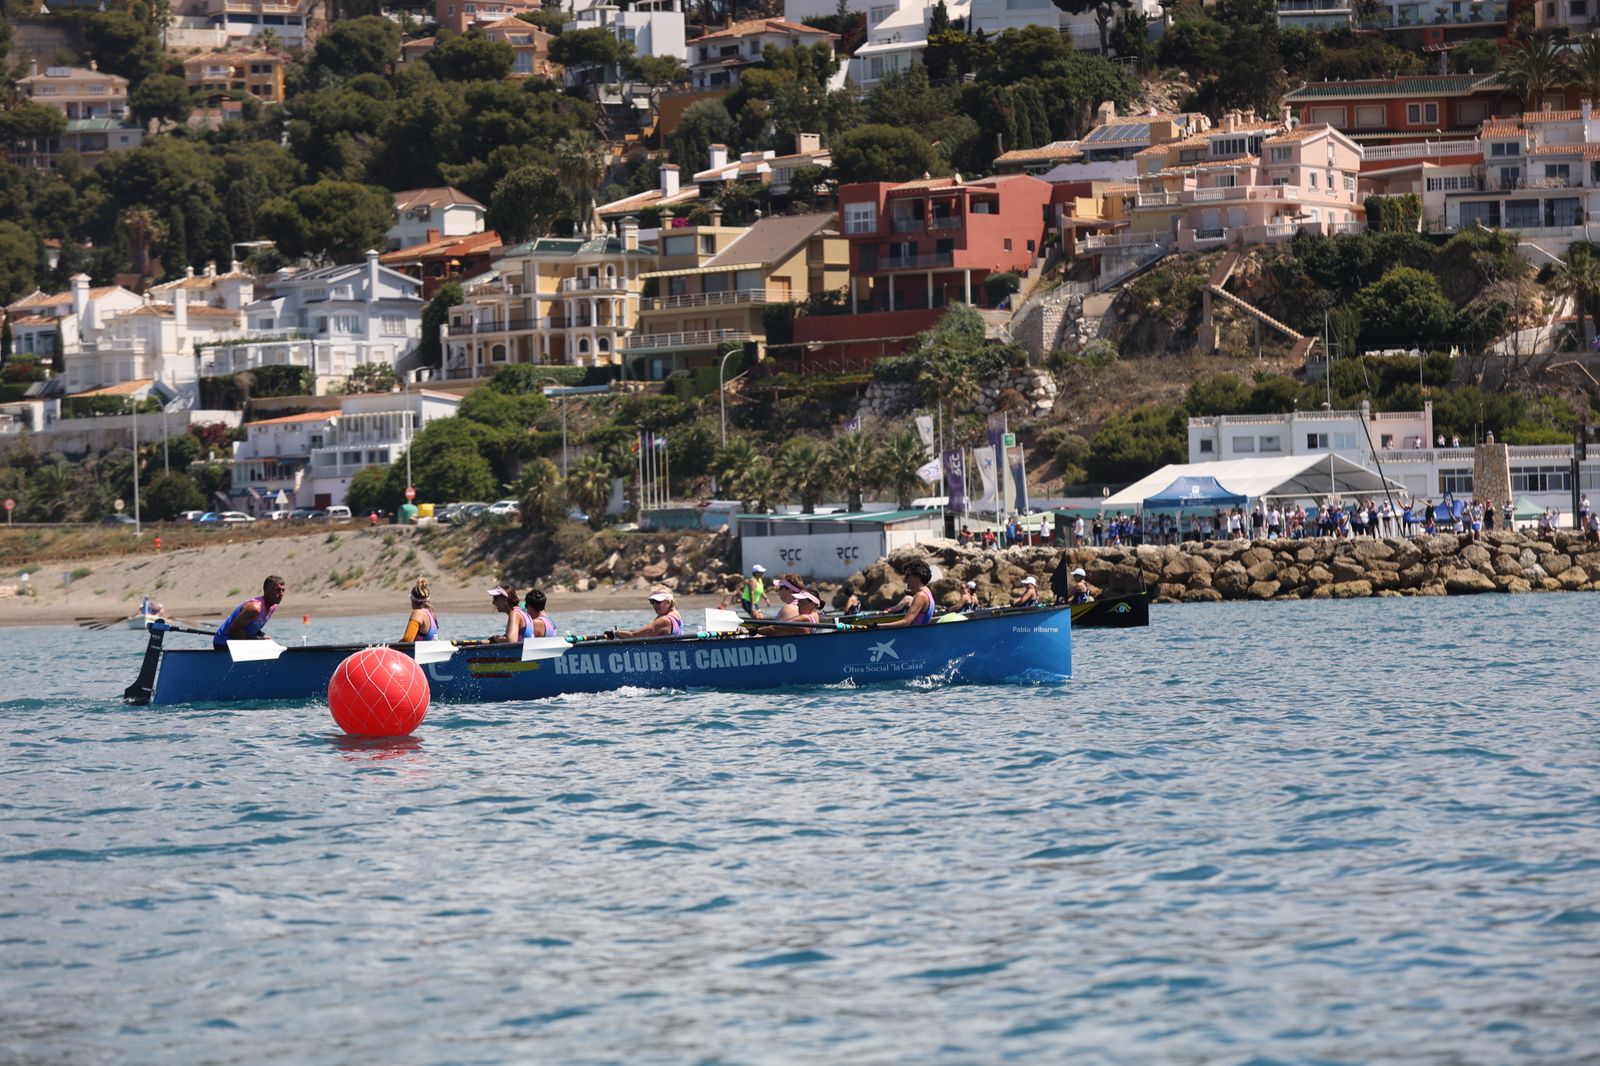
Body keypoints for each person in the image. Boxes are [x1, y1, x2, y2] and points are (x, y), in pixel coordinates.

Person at [213, 576, 286, 648]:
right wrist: (258, 639)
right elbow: (232, 632)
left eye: (283, 590)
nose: (281, 594)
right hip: (223, 643)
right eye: (277, 590)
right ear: (267, 590)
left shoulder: (273, 607)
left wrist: (261, 635)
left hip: (239, 643)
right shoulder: (254, 608)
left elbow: (251, 627)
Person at [758, 573, 822, 636]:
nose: (778, 590)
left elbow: (776, 631)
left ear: (790, 590)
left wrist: (757, 631)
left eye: (781, 587)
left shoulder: (789, 609)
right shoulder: (811, 611)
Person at [878, 559, 935, 628]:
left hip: (913, 635)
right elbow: (909, 600)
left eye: (907, 576)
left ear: (918, 576)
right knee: (907, 598)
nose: (905, 580)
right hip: (918, 633)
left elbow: (906, 623)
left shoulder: (920, 596)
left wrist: (878, 626)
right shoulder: (927, 591)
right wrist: (893, 609)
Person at [611, 587, 683, 639]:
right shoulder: (676, 616)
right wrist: (621, 633)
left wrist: (615, 634)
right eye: (652, 601)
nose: (654, 605)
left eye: (658, 602)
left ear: (668, 603)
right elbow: (641, 632)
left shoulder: (664, 620)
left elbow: (634, 636)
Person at [400, 578, 439, 642]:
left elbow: (407, 640)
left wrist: (389, 648)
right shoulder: (431, 613)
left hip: (414, 651)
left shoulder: (417, 614)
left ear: (412, 600)